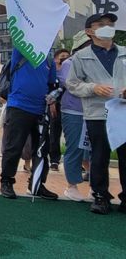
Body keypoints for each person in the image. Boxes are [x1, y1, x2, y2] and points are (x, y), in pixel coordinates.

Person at [66, 12, 126, 214]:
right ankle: (100, 196)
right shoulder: (81, 57)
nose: (107, 27)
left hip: (123, 112)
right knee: (99, 155)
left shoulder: (124, 52)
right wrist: (93, 88)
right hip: (97, 113)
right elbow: (73, 84)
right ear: (89, 31)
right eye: (101, 24)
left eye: (110, 23)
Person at [0, 46, 59, 201]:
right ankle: (6, 181)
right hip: (18, 106)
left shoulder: (49, 58)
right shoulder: (20, 50)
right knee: (14, 147)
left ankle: (37, 183)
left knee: (41, 150)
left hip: (40, 108)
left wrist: (52, 98)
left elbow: (52, 83)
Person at [60, 30, 91, 201]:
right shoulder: (69, 63)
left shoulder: (98, 61)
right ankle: (72, 186)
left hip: (95, 111)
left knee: (96, 149)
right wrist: (94, 87)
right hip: (74, 111)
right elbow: (72, 85)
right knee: (75, 148)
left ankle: (96, 186)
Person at [49, 48, 71, 171]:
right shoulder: (53, 73)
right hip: (55, 107)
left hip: (69, 106)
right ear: (56, 58)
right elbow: (50, 89)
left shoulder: (71, 72)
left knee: (71, 135)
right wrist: (51, 103)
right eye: (62, 56)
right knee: (54, 134)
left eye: (67, 56)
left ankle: (75, 162)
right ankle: (54, 160)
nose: (65, 58)